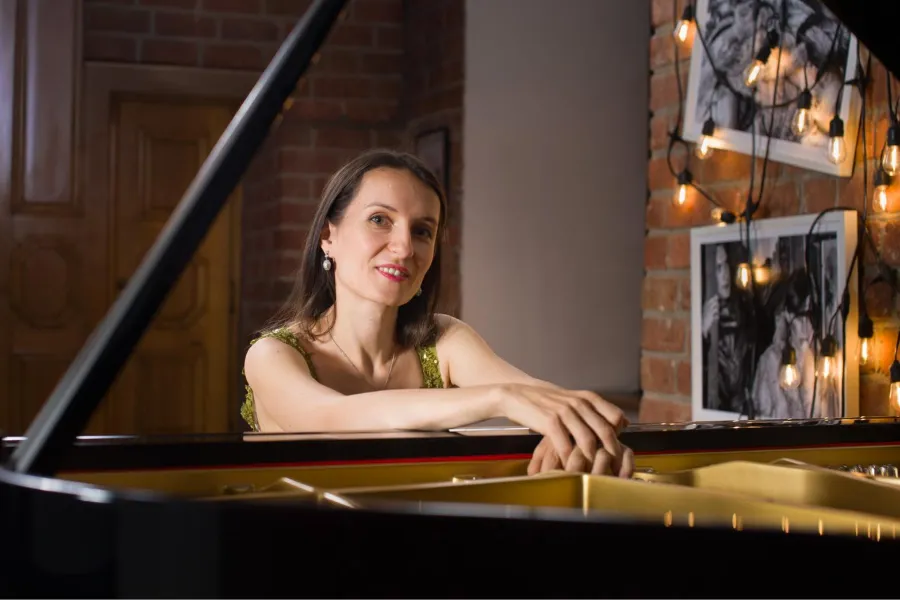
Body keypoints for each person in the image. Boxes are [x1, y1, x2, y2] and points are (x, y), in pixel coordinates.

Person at [241, 149, 633, 478]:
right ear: (328, 236)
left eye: (422, 231)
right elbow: (330, 417)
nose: (404, 247)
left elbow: (536, 397)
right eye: (380, 220)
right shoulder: (273, 354)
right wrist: (499, 399)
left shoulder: (442, 339)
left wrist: (585, 436)